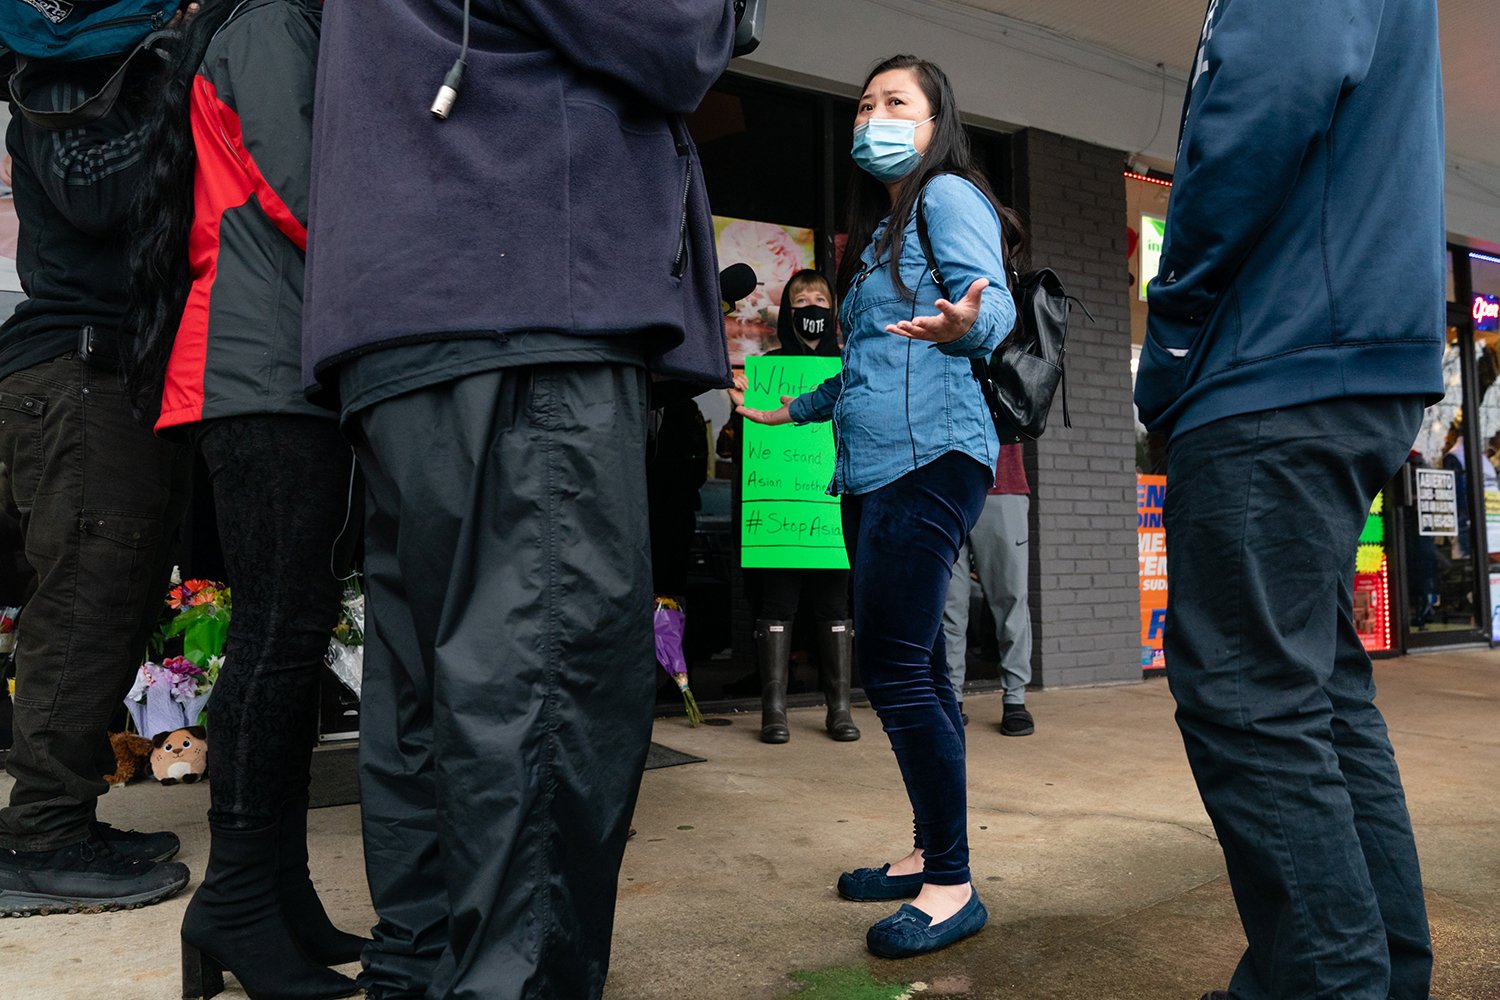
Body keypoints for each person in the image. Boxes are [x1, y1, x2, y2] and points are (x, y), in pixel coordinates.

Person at [300, 3, 737, 997]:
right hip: (527, 290)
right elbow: (674, 34)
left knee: (432, 697)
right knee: (546, 690)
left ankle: (419, 970)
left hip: (401, 316)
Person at [1134, 2, 1445, 998]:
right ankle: (1377, 976)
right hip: (1338, 351)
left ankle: (1333, 982)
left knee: (1247, 696)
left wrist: (1173, 320)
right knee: (1313, 689)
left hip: (1279, 355)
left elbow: (1268, 92)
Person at [733, 54, 1022, 959]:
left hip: (931, 456)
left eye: (896, 102)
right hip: (875, 467)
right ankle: (931, 852)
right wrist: (792, 407)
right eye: (864, 104)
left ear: (936, 124)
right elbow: (864, 366)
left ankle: (952, 885)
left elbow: (996, 306)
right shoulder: (880, 235)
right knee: (918, 673)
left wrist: (966, 324)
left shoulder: (945, 197)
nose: (873, 116)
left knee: (896, 669)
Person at [123, 1, 365, 995]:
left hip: (276, 367)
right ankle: (233, 897)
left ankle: (277, 888)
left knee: (292, 629)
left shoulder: (281, 23)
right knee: (276, 632)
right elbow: (310, 191)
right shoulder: (269, 22)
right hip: (255, 367)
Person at [0, 18, 194, 917]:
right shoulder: (65, 80)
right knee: (83, 606)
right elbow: (99, 200)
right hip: (76, 378)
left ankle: (57, 819)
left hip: (104, 377)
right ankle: (41, 838)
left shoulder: (102, 75)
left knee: (107, 607)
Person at [738, 269, 859, 744]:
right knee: (776, 602)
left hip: (832, 507)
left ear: (833, 309)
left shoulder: (851, 365)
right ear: (787, 311)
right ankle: (774, 711)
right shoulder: (767, 369)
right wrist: (742, 402)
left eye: (819, 298)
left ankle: (840, 709)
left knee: (834, 604)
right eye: (800, 299)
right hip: (779, 511)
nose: (811, 307)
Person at [941, 444, 1034, 734]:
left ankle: (1015, 698)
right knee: (947, 605)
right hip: (944, 488)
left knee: (1010, 599)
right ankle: (950, 697)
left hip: (1002, 483)